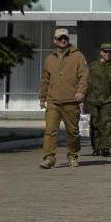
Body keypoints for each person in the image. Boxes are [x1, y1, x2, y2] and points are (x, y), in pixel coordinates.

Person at [39, 27, 89, 169]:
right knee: (50, 131)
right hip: (53, 101)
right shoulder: (50, 59)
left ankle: (73, 155)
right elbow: (44, 80)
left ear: (68, 40)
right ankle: (49, 158)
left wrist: (81, 91)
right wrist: (42, 98)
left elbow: (84, 76)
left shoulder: (78, 56)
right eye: (60, 38)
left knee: (72, 132)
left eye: (65, 38)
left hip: (71, 101)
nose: (62, 40)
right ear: (55, 40)